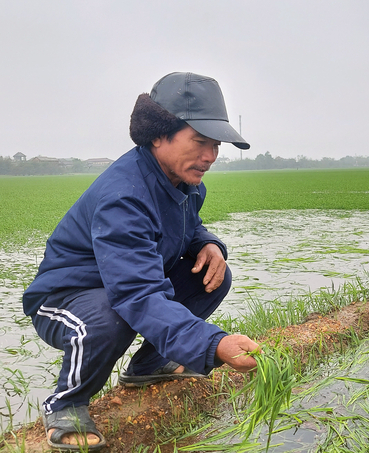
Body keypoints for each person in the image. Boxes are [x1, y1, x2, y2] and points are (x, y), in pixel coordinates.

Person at [22, 72, 260, 451]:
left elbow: (187, 225)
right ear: (157, 134)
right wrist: (214, 343)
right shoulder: (125, 197)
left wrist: (209, 244)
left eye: (216, 145)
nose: (211, 156)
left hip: (120, 285)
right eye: (200, 142)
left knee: (213, 275)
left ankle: (149, 366)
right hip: (66, 297)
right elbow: (137, 295)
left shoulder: (185, 182)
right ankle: (65, 403)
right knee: (113, 315)